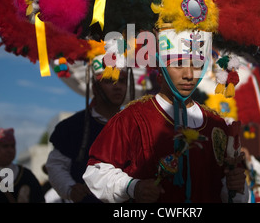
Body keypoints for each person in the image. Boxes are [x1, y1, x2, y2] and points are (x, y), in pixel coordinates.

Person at [83, 22, 248, 202]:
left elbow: (228, 192)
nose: (189, 75)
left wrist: (236, 187)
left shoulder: (217, 124)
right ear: (161, 67)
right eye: (178, 64)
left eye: (197, 65)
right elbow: (96, 171)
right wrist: (132, 187)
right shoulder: (133, 118)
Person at [46, 53, 130, 203]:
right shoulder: (72, 127)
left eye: (122, 81)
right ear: (95, 87)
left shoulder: (136, 124)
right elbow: (56, 165)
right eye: (109, 80)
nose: (117, 86)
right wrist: (70, 188)